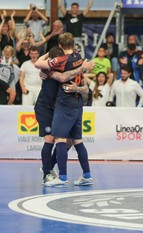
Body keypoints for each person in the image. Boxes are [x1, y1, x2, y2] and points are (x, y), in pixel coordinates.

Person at [36, 33, 93, 187]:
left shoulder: (62, 61)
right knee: (62, 139)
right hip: (48, 107)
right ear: (74, 45)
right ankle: (49, 172)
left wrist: (75, 86)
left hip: (65, 104)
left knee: (63, 140)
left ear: (61, 45)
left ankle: (61, 177)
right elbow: (42, 67)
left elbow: (39, 64)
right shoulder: (78, 57)